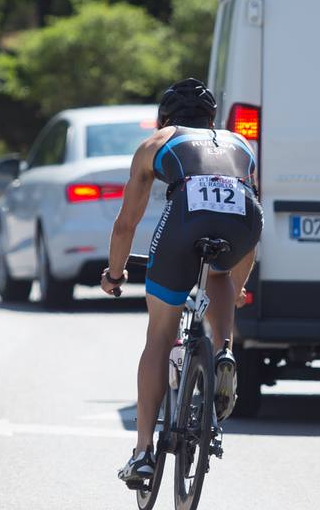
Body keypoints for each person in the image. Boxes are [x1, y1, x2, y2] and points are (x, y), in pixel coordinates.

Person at [98, 79, 263, 488]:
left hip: (186, 215)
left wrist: (115, 274)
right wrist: (239, 286)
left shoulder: (157, 142)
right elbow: (249, 232)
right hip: (244, 218)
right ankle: (223, 352)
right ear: (213, 120)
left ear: (164, 118)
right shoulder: (240, 145)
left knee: (159, 336)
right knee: (221, 273)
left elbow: (126, 225)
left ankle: (142, 454)